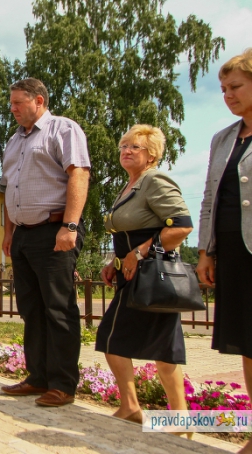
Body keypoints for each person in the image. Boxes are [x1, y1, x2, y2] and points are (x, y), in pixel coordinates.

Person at [0, 78, 90, 407]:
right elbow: (9, 188)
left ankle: (63, 385)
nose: (13, 109)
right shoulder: (13, 141)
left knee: (58, 309)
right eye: (11, 103)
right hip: (23, 235)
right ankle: (38, 377)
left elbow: (79, 174)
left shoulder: (63, 129)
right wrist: (9, 232)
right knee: (32, 310)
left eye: (18, 103)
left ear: (38, 101)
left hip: (55, 231)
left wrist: (70, 226)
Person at [97, 125, 193, 425]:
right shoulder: (131, 185)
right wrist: (114, 261)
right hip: (132, 273)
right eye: (123, 146)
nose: (126, 151)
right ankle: (136, 408)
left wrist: (137, 254)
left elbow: (182, 226)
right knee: (154, 345)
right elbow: (127, 232)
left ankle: (176, 417)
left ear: (151, 155)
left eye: (134, 147)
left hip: (153, 274)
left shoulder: (155, 180)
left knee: (133, 341)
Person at [197, 48, 252, 453]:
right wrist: (206, 251)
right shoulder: (223, 139)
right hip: (233, 252)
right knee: (247, 341)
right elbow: (209, 199)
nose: (227, 95)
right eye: (222, 89)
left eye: (235, 87)